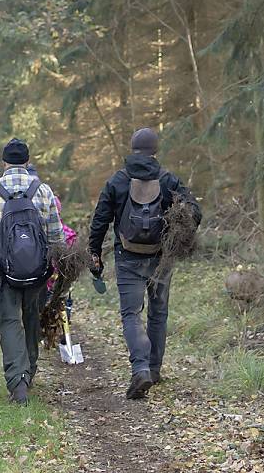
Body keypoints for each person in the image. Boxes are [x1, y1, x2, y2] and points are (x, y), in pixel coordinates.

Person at [88, 128, 202, 400]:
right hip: (161, 258)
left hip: (127, 258)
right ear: (155, 151)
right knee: (158, 313)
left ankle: (140, 368)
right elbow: (195, 213)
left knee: (131, 314)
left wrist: (95, 255)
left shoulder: (117, 181)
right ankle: (154, 368)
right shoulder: (168, 180)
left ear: (132, 149)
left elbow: (100, 220)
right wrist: (177, 235)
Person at [0, 138, 64, 406]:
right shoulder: (42, 190)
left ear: (4, 162)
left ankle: (17, 382)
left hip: (3, 270)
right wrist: (59, 266)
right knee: (31, 318)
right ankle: (28, 372)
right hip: (38, 270)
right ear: (28, 162)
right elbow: (55, 234)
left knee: (9, 322)